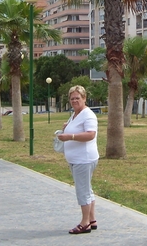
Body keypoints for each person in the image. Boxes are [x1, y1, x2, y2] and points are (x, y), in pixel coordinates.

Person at [57, 85, 99, 234]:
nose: (74, 100)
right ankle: (92, 219)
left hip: (84, 159)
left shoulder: (88, 114)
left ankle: (85, 223)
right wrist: (67, 127)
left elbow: (90, 134)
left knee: (82, 191)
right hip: (76, 159)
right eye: (72, 98)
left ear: (84, 98)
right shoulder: (75, 114)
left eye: (77, 98)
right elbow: (77, 127)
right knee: (87, 188)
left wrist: (70, 136)